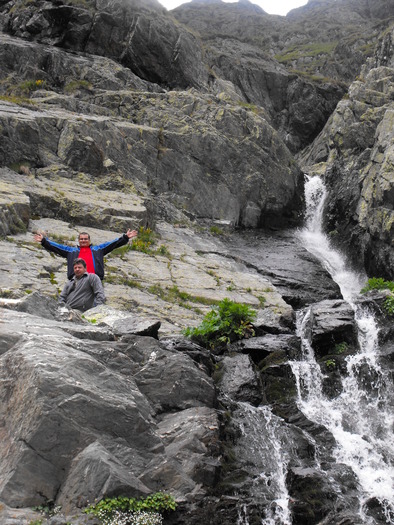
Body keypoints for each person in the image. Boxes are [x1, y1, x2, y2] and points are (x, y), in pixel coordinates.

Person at [34, 228, 138, 280]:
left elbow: (113, 243)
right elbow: (56, 246)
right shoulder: (71, 251)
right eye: (81, 239)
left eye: (85, 239)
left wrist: (125, 237)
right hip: (76, 279)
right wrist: (44, 241)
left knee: (96, 301)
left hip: (94, 279)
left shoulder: (98, 249)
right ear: (78, 241)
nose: (83, 241)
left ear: (89, 240)